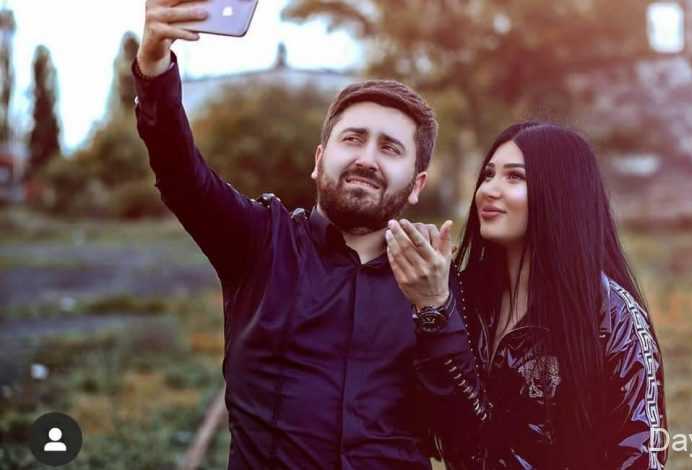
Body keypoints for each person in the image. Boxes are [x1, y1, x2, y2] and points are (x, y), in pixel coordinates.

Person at [132, 1, 481, 468]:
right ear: (319, 160)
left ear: (417, 185)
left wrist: (435, 309)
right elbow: (181, 174)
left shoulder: (440, 282)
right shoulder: (259, 241)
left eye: (390, 148)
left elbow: (462, 436)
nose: (367, 159)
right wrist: (154, 64)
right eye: (353, 139)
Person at [437, 122, 668, 469]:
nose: (488, 190)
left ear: (560, 193)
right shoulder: (464, 298)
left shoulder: (611, 314)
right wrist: (433, 308)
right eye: (488, 175)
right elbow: (440, 426)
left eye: (514, 177)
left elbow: (640, 452)